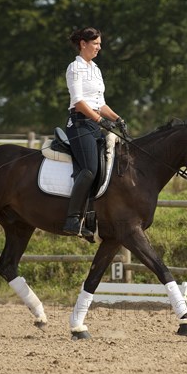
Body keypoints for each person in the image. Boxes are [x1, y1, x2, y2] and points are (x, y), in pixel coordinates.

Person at [63, 27, 127, 237]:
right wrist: (100, 120)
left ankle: (92, 216)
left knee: (107, 165)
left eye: (100, 44)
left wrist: (117, 119)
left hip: (93, 124)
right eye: (96, 44)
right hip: (79, 124)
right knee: (90, 169)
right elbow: (79, 102)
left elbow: (100, 104)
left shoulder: (96, 69)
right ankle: (72, 219)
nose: (99, 48)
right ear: (83, 43)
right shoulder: (75, 68)